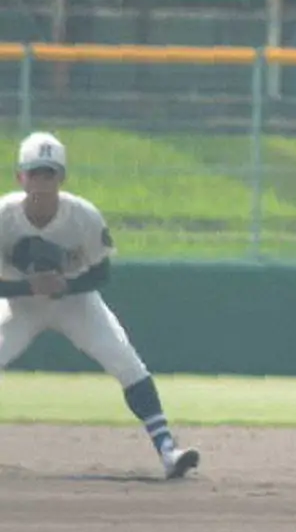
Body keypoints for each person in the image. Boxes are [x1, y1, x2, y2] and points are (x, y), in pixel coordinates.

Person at [0, 131, 200, 480]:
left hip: (76, 303)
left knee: (124, 359)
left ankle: (169, 451)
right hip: (19, 304)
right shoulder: (3, 216)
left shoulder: (83, 216)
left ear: (62, 177)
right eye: (35, 173)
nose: (43, 181)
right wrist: (26, 286)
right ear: (21, 177)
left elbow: (101, 272)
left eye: (50, 173)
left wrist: (67, 284)